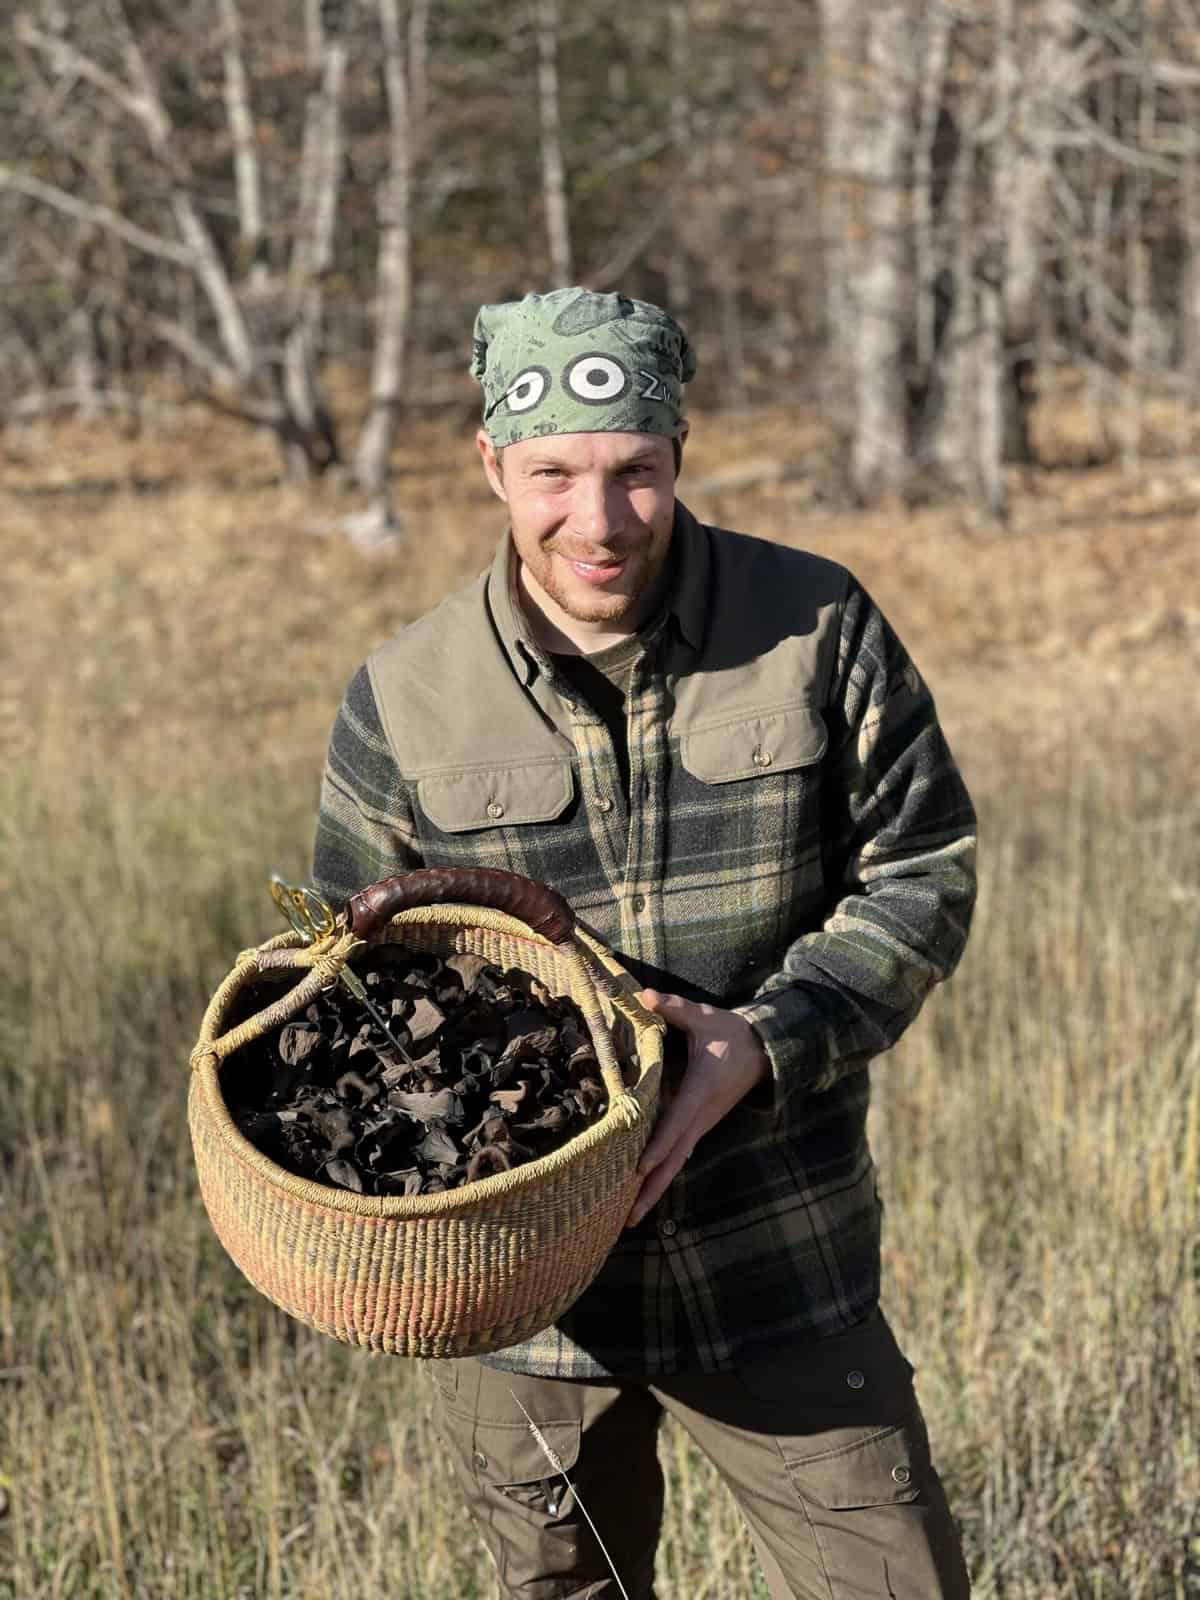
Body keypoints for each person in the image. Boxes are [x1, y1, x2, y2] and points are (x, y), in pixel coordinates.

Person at [312, 287, 977, 1599]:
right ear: (493, 463)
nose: (599, 521)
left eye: (636, 473)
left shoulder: (815, 627)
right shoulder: (405, 696)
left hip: (775, 1252)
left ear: (680, 455)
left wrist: (768, 1042)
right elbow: (348, 1002)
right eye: (554, 473)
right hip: (522, 1308)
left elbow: (925, 868)